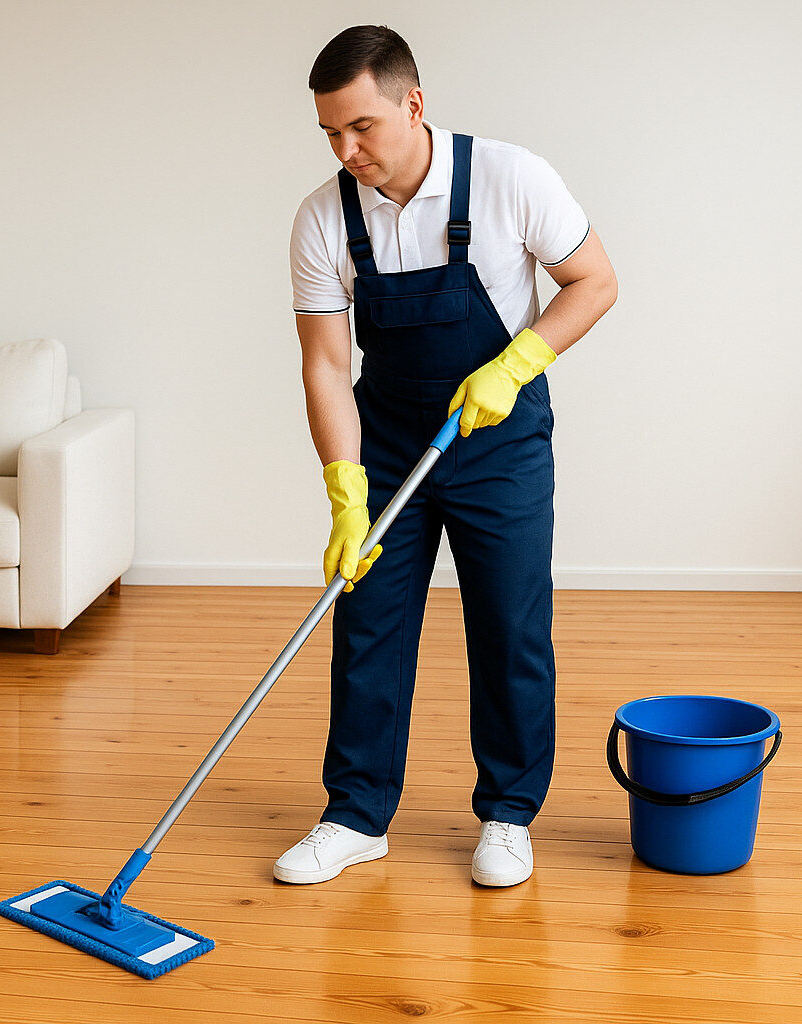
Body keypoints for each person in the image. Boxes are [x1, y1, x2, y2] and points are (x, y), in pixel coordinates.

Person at [278, 25, 618, 888]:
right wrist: (344, 491)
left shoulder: (510, 178)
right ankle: (355, 816)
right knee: (368, 622)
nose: (346, 150)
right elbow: (325, 362)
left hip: (497, 440)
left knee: (507, 623)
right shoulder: (323, 218)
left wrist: (517, 363)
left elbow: (596, 281)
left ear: (413, 103)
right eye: (330, 133)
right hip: (388, 439)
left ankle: (508, 814)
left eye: (362, 127)